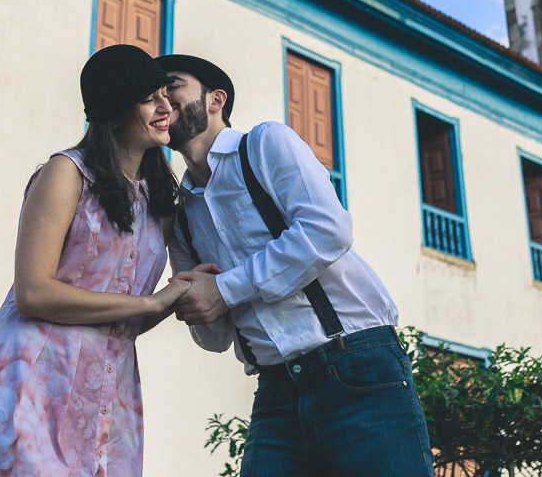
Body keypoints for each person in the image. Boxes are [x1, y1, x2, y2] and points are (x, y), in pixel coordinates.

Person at [155, 53, 433, 477]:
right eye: (154, 93)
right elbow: (213, 338)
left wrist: (225, 289)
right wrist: (195, 305)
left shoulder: (264, 143)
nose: (162, 98)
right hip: (276, 390)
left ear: (216, 100)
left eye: (172, 85)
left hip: (357, 367)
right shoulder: (182, 216)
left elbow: (328, 230)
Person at [0, 45, 192, 477]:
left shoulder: (159, 202)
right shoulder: (66, 173)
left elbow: (123, 320)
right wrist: (152, 302)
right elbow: (33, 293)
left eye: (166, 94)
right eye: (150, 98)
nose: (167, 107)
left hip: (110, 398)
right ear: (114, 108)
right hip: (29, 384)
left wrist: (176, 298)